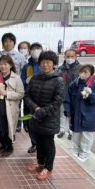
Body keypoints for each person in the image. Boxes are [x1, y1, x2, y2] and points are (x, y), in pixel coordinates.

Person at [25, 51, 64, 181]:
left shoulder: (58, 80)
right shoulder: (35, 78)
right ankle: (40, 163)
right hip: (36, 117)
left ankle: (48, 168)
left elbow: (57, 102)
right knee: (39, 142)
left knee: (48, 144)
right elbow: (27, 95)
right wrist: (35, 108)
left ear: (54, 64)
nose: (45, 65)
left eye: (48, 62)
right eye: (43, 62)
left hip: (49, 119)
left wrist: (42, 111)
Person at [64, 64, 95, 162]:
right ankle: (76, 151)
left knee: (87, 136)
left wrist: (91, 94)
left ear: (91, 73)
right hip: (76, 115)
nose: (83, 74)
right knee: (76, 135)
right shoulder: (74, 84)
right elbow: (67, 99)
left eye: (86, 72)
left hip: (89, 116)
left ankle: (85, 153)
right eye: (81, 71)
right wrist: (68, 112)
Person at [0, 56, 24, 157]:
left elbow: (21, 94)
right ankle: (3, 145)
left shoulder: (16, 78)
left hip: (10, 108)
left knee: (8, 129)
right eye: (1, 64)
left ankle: (9, 147)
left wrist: (6, 93)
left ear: (11, 65)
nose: (3, 66)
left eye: (5, 64)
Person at [20, 42, 43, 153]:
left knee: (41, 121)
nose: (36, 51)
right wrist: (26, 81)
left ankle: (41, 144)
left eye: (38, 49)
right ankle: (34, 143)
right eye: (34, 49)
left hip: (42, 98)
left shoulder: (45, 64)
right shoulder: (27, 66)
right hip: (29, 97)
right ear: (30, 51)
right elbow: (22, 81)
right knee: (30, 122)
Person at [57, 49, 81, 140]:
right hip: (62, 95)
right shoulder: (60, 69)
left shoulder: (80, 68)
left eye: (72, 56)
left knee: (72, 114)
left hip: (74, 96)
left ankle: (71, 131)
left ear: (76, 57)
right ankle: (62, 129)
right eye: (68, 56)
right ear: (64, 57)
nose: (70, 58)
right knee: (62, 113)